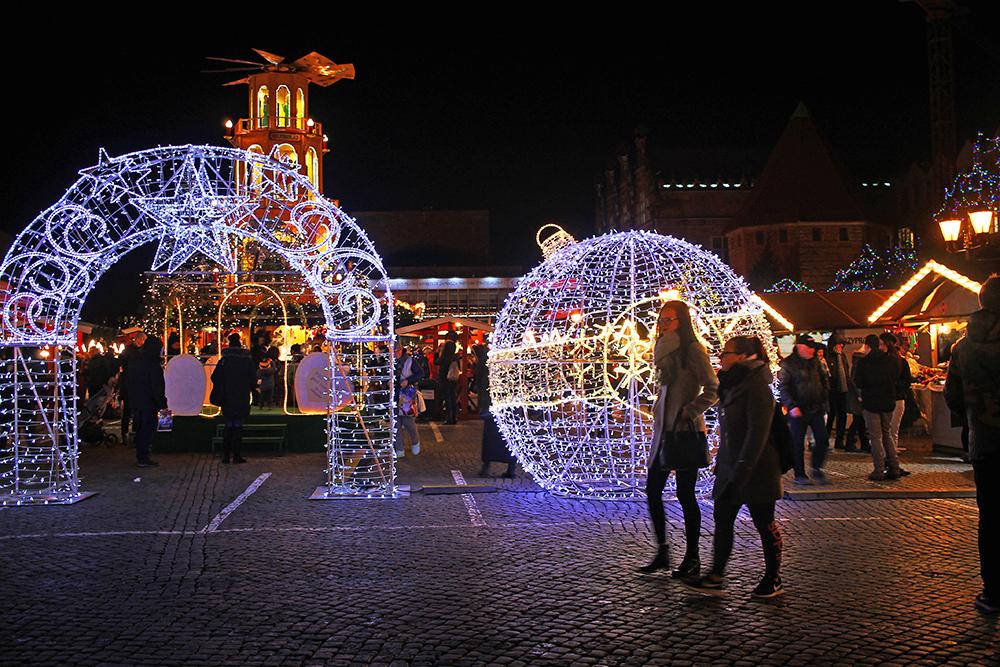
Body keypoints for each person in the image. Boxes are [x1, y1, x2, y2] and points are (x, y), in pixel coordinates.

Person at [683, 336, 784, 599]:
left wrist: (742, 467)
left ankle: (773, 577)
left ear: (742, 356)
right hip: (731, 466)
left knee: (764, 522)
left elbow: (757, 434)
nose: (720, 357)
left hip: (758, 468)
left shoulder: (757, 386)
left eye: (725, 353)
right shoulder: (731, 383)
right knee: (723, 519)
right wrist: (724, 462)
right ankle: (716, 576)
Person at [639, 301, 719, 579]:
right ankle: (662, 550)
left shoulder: (693, 350)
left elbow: (712, 388)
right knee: (652, 491)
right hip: (663, 431)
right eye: (661, 320)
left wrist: (689, 411)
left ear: (682, 321)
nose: (663, 324)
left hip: (684, 431)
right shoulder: (661, 350)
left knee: (686, 495)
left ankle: (692, 556)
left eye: (669, 319)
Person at [945, 274, 1000, 614]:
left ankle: (993, 591)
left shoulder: (963, 347)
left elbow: (952, 396)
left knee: (992, 518)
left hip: (987, 442)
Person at [853, 334, 909, 480]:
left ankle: (878, 470)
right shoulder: (890, 360)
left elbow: (858, 382)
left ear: (868, 346)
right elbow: (896, 376)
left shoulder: (863, 362)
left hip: (871, 403)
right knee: (887, 434)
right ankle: (894, 467)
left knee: (875, 437)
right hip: (888, 401)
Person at [778, 334, 830, 484]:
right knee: (797, 443)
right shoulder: (789, 364)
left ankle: (816, 467)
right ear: (800, 347)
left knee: (822, 439)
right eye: (810, 347)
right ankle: (799, 473)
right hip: (798, 409)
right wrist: (792, 406)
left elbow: (824, 380)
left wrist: (824, 400)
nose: (813, 351)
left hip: (816, 408)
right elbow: (784, 387)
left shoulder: (815, 362)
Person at [212, 333, 256, 464]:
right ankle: (237, 455)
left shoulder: (224, 361)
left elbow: (215, 377)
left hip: (227, 396)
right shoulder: (246, 360)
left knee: (228, 424)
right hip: (241, 396)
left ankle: (225, 455)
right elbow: (253, 379)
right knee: (238, 425)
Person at [475, 343, 516, 478]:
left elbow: (483, 385)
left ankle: (487, 466)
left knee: (491, 437)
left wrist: (483, 403)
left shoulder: (488, 364)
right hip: (508, 406)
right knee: (508, 437)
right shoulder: (511, 362)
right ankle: (511, 467)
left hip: (495, 405)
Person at [126, 335, 167, 467]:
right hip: (148, 402)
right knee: (147, 428)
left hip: (137, 400)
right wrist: (162, 403)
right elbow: (156, 386)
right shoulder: (152, 364)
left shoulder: (136, 361)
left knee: (141, 427)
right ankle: (143, 456)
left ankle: (141, 454)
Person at [880, 332, 913, 455]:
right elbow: (907, 381)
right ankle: (891, 451)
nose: (880, 347)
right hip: (896, 398)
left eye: (882, 344)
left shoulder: (897, 361)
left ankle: (891, 452)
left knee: (890, 427)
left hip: (895, 398)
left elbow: (906, 381)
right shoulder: (899, 361)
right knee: (892, 427)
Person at [118, 332, 147, 444]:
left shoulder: (130, 351)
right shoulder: (132, 351)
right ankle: (127, 434)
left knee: (132, 411)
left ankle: (131, 434)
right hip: (130, 384)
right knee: (129, 411)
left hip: (131, 384)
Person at [825, 336, 850, 450]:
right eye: (839, 344)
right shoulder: (828, 356)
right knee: (831, 415)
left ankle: (839, 440)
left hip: (842, 390)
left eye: (842, 345)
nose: (841, 347)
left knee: (842, 416)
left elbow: (846, 371)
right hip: (832, 391)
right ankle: (825, 440)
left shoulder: (842, 356)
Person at [437, 333, 459, 424]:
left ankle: (449, 418)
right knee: (452, 397)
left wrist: (437, 353)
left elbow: (437, 362)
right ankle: (453, 417)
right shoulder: (454, 356)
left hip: (445, 377)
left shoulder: (444, 357)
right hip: (453, 378)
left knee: (447, 397)